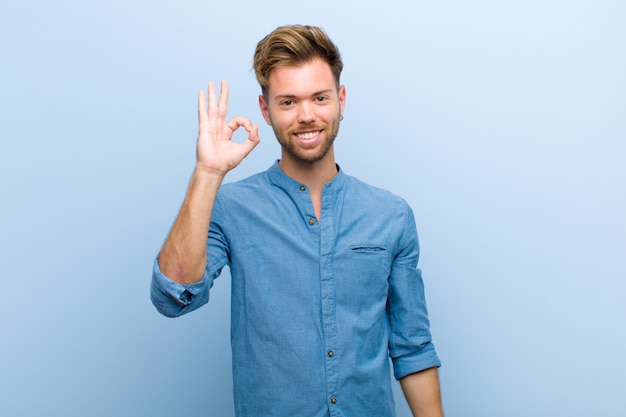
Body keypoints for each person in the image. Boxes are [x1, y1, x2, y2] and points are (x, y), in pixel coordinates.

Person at [151, 24, 443, 417]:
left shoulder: (391, 215)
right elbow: (173, 298)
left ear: (340, 100)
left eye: (320, 98)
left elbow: (413, 347)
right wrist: (207, 174)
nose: (307, 116)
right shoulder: (230, 207)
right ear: (265, 110)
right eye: (288, 102)